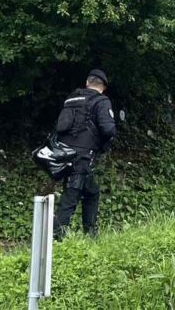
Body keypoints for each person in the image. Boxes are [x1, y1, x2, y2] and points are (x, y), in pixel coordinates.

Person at [53, 69, 117, 240]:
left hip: (64, 155)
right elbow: (108, 129)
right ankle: (55, 238)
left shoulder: (72, 99)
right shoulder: (101, 101)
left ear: (87, 82)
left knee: (91, 192)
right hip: (81, 158)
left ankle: (91, 235)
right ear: (103, 86)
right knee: (70, 197)